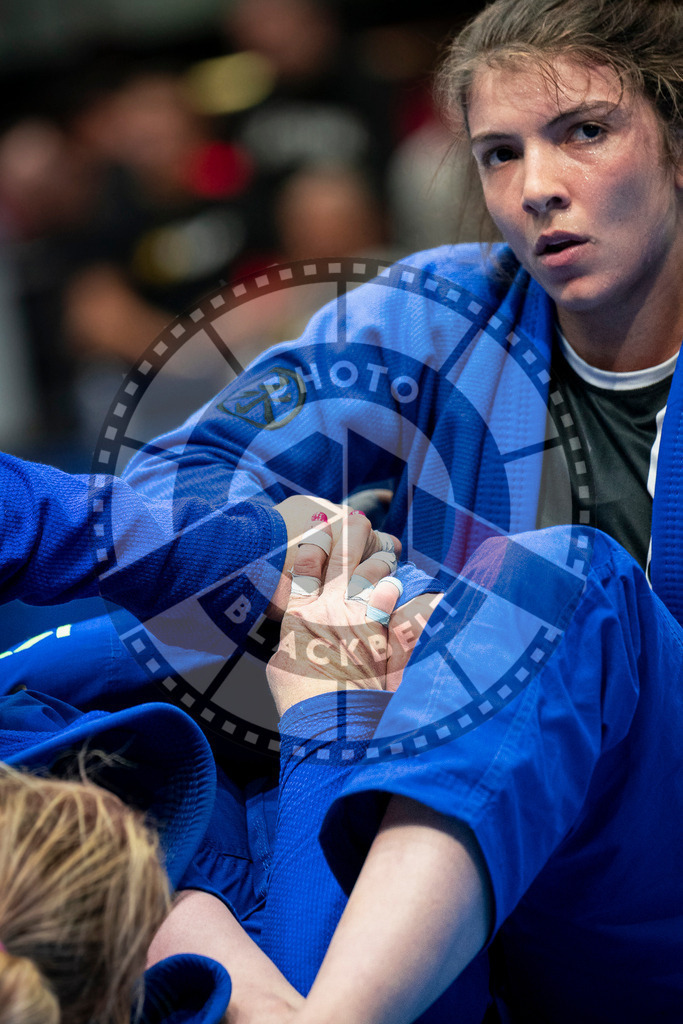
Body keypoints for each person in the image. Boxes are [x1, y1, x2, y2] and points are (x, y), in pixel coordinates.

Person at [5, 0, 683, 1017]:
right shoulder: (428, 312)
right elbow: (183, 482)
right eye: (497, 153)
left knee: (562, 584)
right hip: (443, 888)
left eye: (582, 131)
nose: (535, 187)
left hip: (641, 871)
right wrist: (279, 547)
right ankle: (254, 967)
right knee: (77, 697)